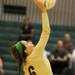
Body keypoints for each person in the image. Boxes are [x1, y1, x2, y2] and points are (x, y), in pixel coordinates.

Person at [10, 0, 53, 75]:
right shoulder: (36, 53)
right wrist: (43, 11)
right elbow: (46, 32)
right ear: (26, 51)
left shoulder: (25, 66)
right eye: (27, 43)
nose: (29, 42)